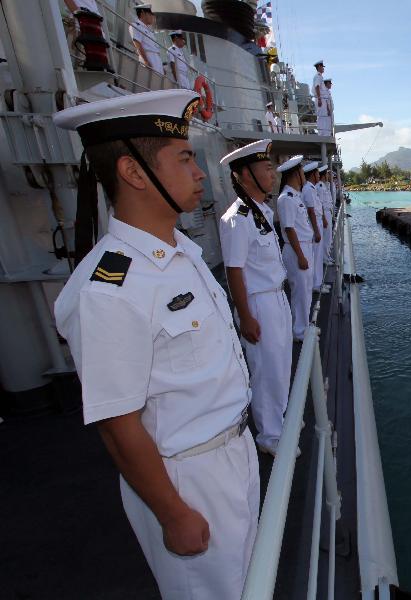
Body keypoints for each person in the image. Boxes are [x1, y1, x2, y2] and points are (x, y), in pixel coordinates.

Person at [52, 89, 259, 599]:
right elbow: (117, 422)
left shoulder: (179, 250)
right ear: (134, 172)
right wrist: (172, 513)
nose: (199, 174)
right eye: (185, 158)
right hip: (188, 479)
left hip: (233, 451)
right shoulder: (110, 289)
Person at [218, 139, 292, 457]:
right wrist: (245, 315)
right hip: (258, 302)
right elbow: (234, 270)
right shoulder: (237, 217)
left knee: (282, 365)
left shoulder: (261, 210)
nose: (272, 174)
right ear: (245, 174)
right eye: (266, 168)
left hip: (276, 298)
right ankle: (269, 436)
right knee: (265, 370)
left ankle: (282, 420)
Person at [275, 156, 315, 344]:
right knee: (300, 292)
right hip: (296, 249)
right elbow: (289, 228)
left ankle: (304, 327)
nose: (303, 174)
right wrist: (301, 256)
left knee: (306, 291)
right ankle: (299, 331)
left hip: (304, 247)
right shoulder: (286, 198)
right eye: (301, 170)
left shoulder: (295, 195)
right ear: (295, 173)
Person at [129, 4, 162, 75]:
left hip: (156, 60)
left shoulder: (149, 31)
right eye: (150, 14)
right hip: (149, 58)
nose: (152, 17)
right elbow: (138, 45)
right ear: (143, 13)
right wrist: (146, 61)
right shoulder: (136, 26)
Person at [313, 164, 331, 289]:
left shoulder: (323, 185)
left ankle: (326, 256)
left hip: (326, 213)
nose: (330, 176)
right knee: (322, 242)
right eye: (328, 173)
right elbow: (316, 206)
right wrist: (324, 217)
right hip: (322, 215)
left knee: (328, 237)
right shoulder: (318, 187)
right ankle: (325, 257)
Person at [312, 60, 331, 135]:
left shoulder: (320, 77)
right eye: (322, 67)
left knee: (324, 117)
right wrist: (319, 98)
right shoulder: (318, 76)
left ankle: (325, 133)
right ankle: (322, 133)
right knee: (321, 117)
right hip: (320, 99)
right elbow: (317, 87)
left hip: (322, 100)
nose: (323, 68)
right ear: (319, 67)